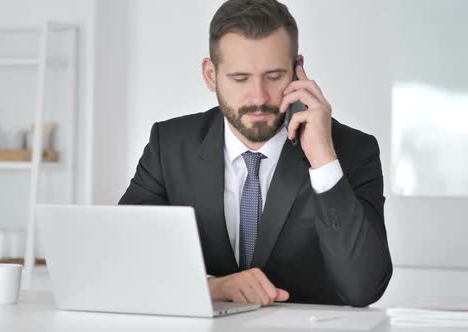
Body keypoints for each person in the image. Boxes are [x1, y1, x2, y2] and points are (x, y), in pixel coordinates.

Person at [119, 0, 392, 307]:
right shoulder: (169, 145)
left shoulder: (352, 151)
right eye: (240, 79)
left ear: (298, 70)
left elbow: (364, 288)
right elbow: (124, 257)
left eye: (274, 76)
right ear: (211, 75)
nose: (259, 97)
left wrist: (324, 160)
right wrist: (211, 287)